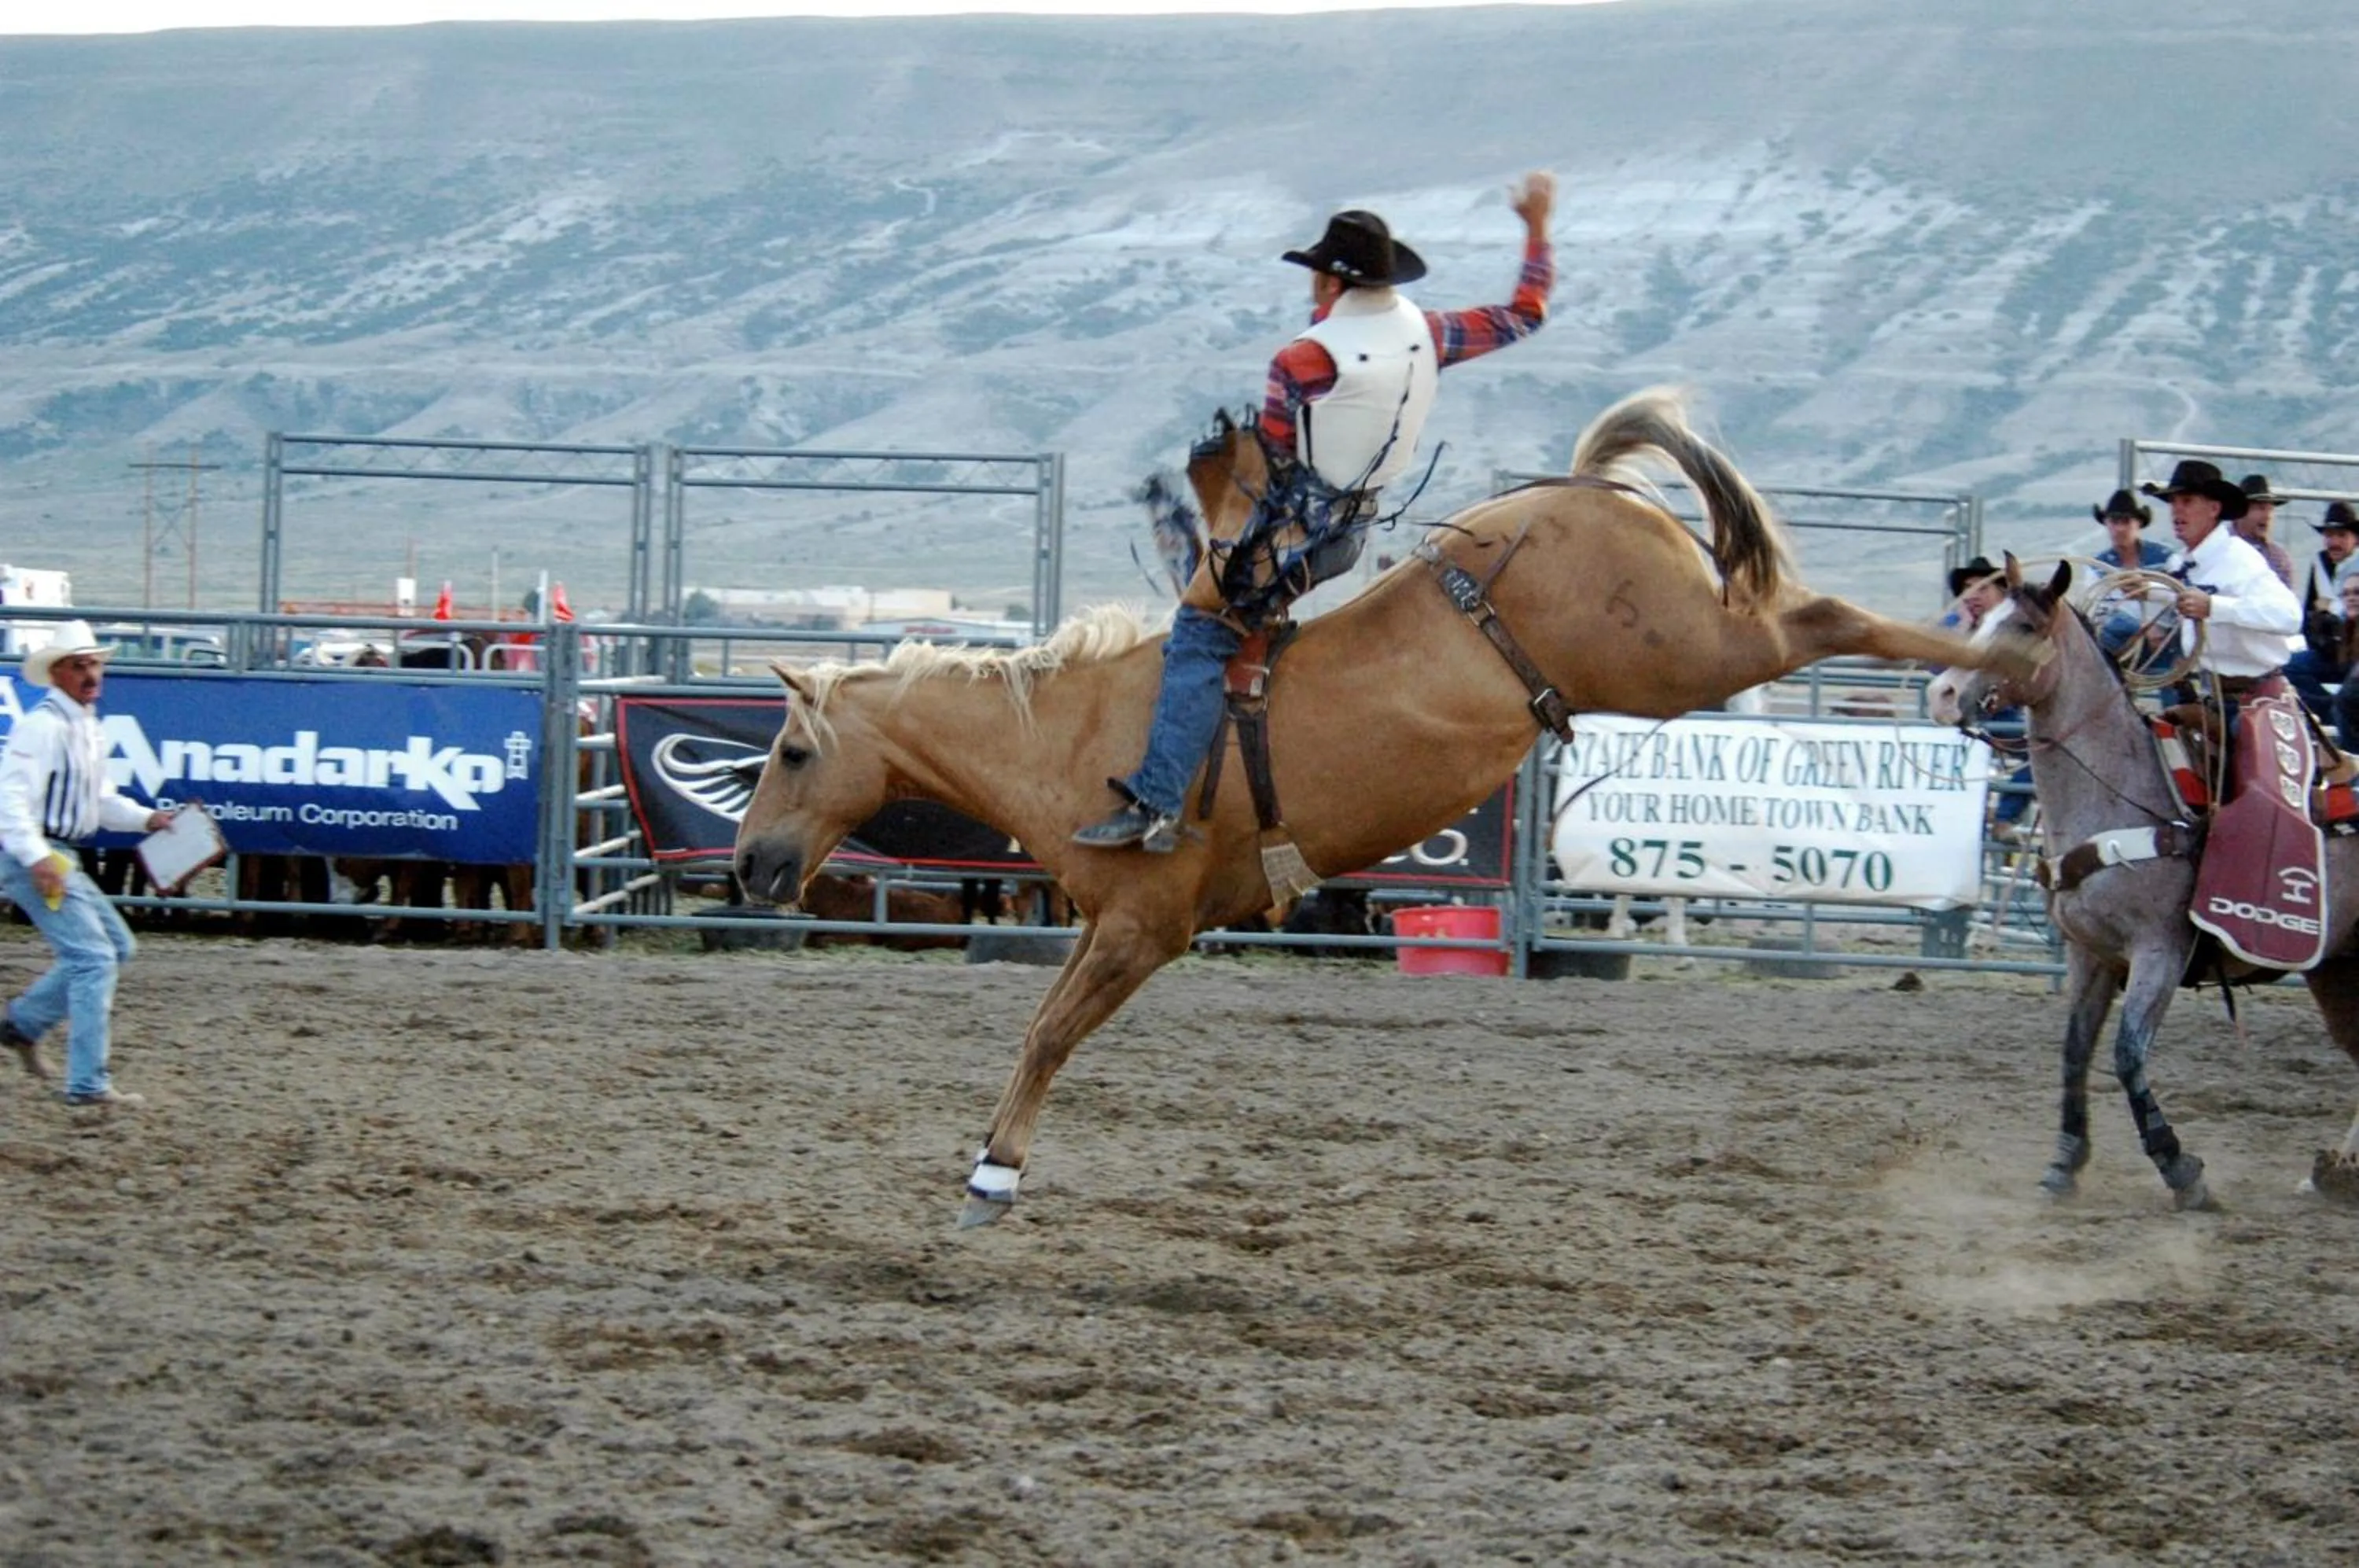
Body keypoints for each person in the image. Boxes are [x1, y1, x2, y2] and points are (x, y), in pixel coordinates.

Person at [1076, 173, 1558, 850]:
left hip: (1291, 535)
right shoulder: (1433, 334)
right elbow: (1525, 312)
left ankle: (1158, 803)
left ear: (1330, 285)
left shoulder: (1300, 360)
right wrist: (1537, 225)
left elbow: (1271, 461)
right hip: (1352, 529)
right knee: (1224, 604)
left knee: (1196, 632)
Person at [0, 620, 171, 1107]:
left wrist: (148, 819)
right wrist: (36, 857)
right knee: (96, 957)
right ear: (58, 673)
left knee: (113, 947)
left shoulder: (82, 726)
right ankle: (87, 1084)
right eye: (80, 666)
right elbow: (8, 800)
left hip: (54, 852)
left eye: (95, 664)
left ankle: (24, 1024)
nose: (92, 674)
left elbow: (100, 800)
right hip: (40, 851)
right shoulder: (44, 727)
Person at [2140, 460, 2302, 723]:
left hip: (2255, 699)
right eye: (2173, 502)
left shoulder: (2239, 558)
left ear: (2214, 508)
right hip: (2208, 695)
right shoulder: (2180, 563)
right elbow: (2188, 594)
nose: (2176, 510)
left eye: (2187, 501)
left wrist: (2214, 607)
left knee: (2256, 763)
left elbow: (2289, 616)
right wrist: (2151, 590)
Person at [2286, 499, 2359, 719]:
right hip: (2329, 650)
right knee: (2287, 667)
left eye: (2341, 535)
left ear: (2355, 538)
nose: (2334, 542)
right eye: (2329, 535)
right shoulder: (2320, 563)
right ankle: (2331, 710)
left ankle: (2337, 710)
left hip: (2355, 651)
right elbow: (2308, 613)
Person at [2235, 472, 2298, 589]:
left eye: (2271, 510)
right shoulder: (2218, 545)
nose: (2268, 516)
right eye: (2261, 508)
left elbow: (2286, 602)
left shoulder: (2279, 559)